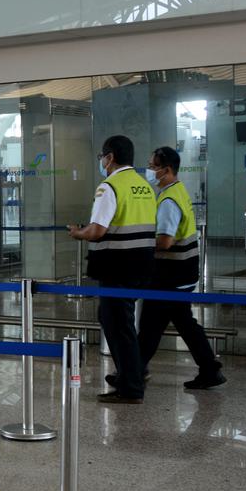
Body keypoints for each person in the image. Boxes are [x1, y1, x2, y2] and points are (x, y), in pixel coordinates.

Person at [68, 135, 156, 405]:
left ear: (110, 157)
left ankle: (131, 387)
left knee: (119, 325)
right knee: (113, 320)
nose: (101, 162)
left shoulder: (110, 187)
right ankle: (131, 372)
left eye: (102, 157)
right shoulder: (144, 186)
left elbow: (97, 231)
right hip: (142, 264)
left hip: (117, 266)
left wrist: (78, 233)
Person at [138, 147, 226, 390]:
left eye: (153, 166)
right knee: (180, 322)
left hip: (171, 273)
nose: (149, 171)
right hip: (184, 270)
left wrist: (142, 243)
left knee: (151, 323)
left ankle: (133, 372)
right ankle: (210, 369)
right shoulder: (177, 191)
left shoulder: (168, 200)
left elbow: (165, 241)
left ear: (166, 170)